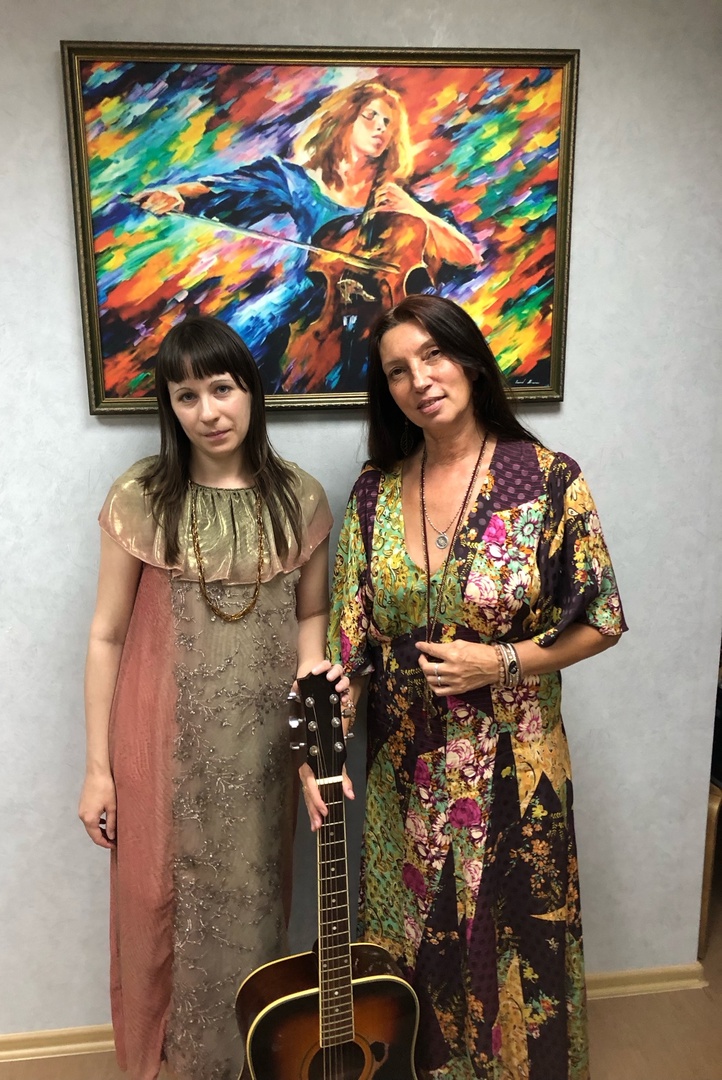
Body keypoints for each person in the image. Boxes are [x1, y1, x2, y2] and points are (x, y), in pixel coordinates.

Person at [308, 295, 626, 1079]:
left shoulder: (548, 481)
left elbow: (604, 619)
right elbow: (349, 649)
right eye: (397, 371)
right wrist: (325, 740)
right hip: (404, 777)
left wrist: (503, 662)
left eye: (433, 355)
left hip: (518, 771)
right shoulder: (374, 493)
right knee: (414, 954)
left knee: (518, 957)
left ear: (471, 360)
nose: (420, 379)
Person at [78, 315, 341, 1080]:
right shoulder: (142, 498)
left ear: (251, 390)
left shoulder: (300, 499)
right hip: (159, 750)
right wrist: (98, 770)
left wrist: (313, 724)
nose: (208, 411)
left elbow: (313, 615)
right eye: (186, 395)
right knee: (156, 908)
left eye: (221, 388)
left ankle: (247, 1061)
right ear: (170, 407)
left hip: (263, 753)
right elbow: (106, 636)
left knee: (255, 909)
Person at [132, 81, 480, 392]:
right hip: (311, 295)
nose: (381, 127)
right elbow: (227, 187)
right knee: (243, 329)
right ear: (344, 120)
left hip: (381, 310)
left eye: (389, 123)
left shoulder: (398, 197)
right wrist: (178, 194)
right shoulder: (299, 182)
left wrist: (417, 212)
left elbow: (468, 258)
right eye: (370, 116)